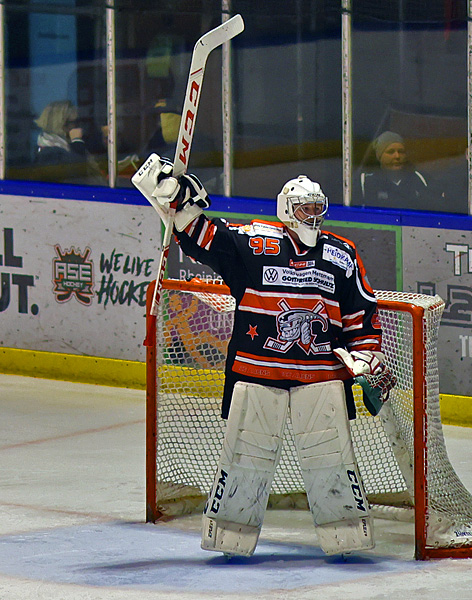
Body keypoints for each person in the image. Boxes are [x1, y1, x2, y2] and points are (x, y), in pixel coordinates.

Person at [132, 153, 395, 558]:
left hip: (321, 375)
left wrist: (366, 355)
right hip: (257, 372)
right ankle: (230, 533)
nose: (312, 216)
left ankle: (346, 534)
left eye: (318, 208)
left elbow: (361, 312)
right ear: (287, 210)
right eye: (304, 208)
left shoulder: (341, 254)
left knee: (331, 457)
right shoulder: (256, 243)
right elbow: (207, 238)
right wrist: (178, 202)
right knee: (245, 456)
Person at [33, 100, 103, 183]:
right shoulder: (50, 153)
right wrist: (77, 141)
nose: (78, 126)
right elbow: (77, 173)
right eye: (74, 122)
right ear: (61, 124)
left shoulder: (65, 146)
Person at [358, 131, 430, 210]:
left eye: (401, 151)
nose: (397, 156)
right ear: (379, 156)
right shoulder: (365, 182)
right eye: (391, 152)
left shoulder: (420, 180)